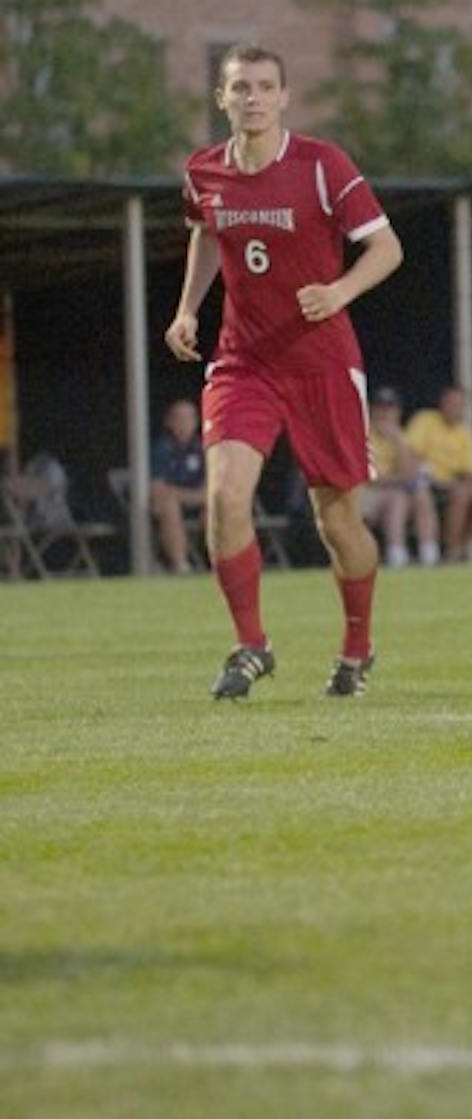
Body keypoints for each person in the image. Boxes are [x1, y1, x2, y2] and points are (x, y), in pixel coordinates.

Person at [165, 42, 403, 699]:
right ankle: (251, 646)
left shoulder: (323, 166)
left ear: (284, 97)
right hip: (244, 360)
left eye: (265, 87)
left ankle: (357, 648)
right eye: (240, 88)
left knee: (337, 522)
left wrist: (339, 292)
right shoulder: (204, 171)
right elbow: (207, 232)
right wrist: (188, 310)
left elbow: (387, 248)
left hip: (321, 362)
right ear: (222, 98)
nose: (253, 98)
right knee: (223, 498)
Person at [405, 383, 472, 561]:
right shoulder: (425, 420)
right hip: (425, 483)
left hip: (452, 484)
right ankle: (451, 549)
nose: (454, 408)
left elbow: (470, 471)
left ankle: (459, 545)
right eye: (451, 403)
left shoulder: (464, 433)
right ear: (442, 403)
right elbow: (411, 454)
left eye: (459, 405)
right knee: (460, 493)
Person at [358, 386, 439, 568]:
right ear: (371, 409)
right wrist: (399, 479)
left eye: (390, 408)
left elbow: (410, 472)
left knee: (421, 495)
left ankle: (429, 556)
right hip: (364, 495)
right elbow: (369, 478)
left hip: (391, 492)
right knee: (397, 497)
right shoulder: (361, 434)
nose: (385, 414)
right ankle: (397, 555)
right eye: (380, 408)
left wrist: (398, 441)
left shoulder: (401, 436)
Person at [148, 398, 206, 574]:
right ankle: (181, 566)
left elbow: (212, 488)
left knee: (219, 505)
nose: (184, 424)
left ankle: (219, 563)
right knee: (169, 506)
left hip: (195, 503)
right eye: (179, 419)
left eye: (189, 419)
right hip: (164, 507)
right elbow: (157, 490)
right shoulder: (161, 448)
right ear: (169, 422)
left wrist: (180, 494)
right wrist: (187, 495)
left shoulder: (202, 447)